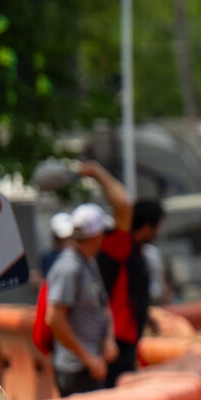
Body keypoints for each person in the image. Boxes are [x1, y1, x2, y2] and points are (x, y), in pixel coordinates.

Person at [76, 160, 165, 381]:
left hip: (120, 341)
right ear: (147, 227)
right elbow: (123, 204)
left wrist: (146, 317)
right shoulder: (119, 246)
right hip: (113, 343)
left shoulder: (134, 251)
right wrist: (97, 172)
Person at [45, 205, 117, 396]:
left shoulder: (88, 262)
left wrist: (109, 339)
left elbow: (103, 305)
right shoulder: (68, 267)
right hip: (76, 370)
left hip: (92, 365)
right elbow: (54, 318)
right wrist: (88, 357)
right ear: (95, 236)